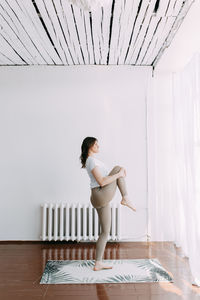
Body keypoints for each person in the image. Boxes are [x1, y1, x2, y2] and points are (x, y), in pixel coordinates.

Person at [80, 137, 136, 271]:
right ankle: (126, 198)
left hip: (99, 197)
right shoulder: (91, 160)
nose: (98, 146)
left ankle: (98, 263)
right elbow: (102, 182)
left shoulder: (91, 161)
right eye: (96, 144)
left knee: (105, 231)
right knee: (118, 168)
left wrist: (118, 175)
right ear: (90, 145)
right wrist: (119, 175)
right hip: (99, 193)